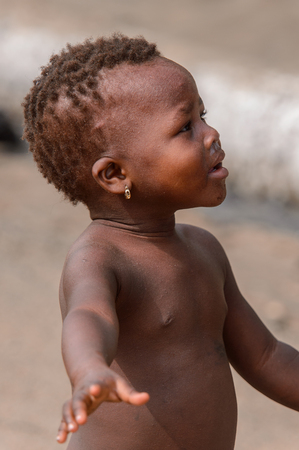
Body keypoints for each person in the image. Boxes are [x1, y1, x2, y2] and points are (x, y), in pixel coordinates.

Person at [23, 34, 299, 450]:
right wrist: (89, 370)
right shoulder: (99, 257)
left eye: (204, 115)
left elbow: (264, 357)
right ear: (115, 175)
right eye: (186, 126)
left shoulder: (205, 250)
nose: (211, 133)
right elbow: (88, 316)